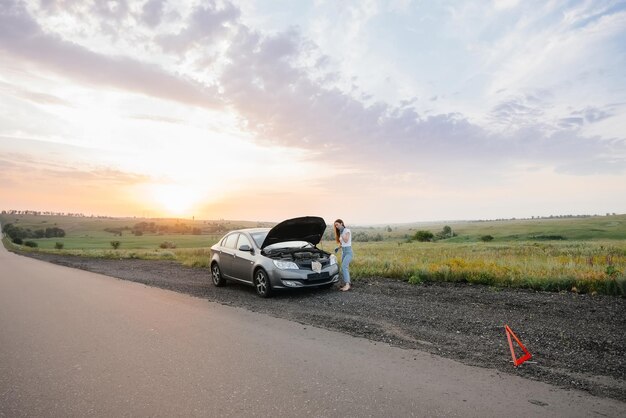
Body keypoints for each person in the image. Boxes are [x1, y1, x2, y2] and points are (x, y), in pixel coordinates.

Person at [334, 219, 353, 291]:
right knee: (345, 268)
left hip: (348, 252)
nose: (336, 226)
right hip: (343, 252)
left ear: (341, 223)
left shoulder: (347, 230)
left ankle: (347, 285)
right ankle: (347, 283)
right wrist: (338, 248)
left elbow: (346, 240)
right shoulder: (341, 231)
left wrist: (342, 232)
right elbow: (343, 243)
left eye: (337, 225)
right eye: (335, 225)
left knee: (344, 267)